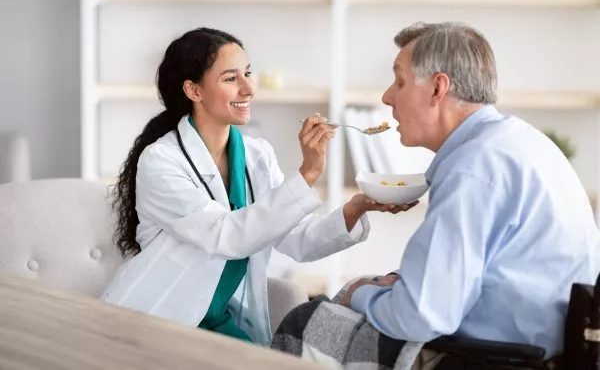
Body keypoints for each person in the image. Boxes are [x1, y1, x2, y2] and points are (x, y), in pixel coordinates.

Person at [271, 22, 600, 367]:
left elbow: (421, 316)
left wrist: (360, 293)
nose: (387, 97)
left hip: (491, 358)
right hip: (546, 344)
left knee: (304, 322)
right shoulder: (517, 141)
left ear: (437, 88)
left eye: (399, 81)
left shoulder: (473, 167)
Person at [100, 27, 417, 346]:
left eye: (248, 73)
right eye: (230, 78)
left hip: (215, 323)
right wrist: (306, 175)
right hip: (156, 323)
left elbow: (299, 240)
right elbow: (228, 236)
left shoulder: (257, 156)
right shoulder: (161, 161)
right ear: (194, 91)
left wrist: (357, 206)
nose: (249, 88)